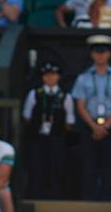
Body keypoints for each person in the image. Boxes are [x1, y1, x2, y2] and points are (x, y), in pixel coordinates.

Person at [71, 34, 111, 201]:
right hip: (89, 125)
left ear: (109, 54)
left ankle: (108, 197)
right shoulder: (83, 78)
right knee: (88, 163)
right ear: (92, 54)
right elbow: (80, 105)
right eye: (97, 52)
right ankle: (88, 197)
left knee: (110, 163)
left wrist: (106, 127)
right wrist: (94, 126)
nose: (100, 55)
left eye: (103, 52)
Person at [21, 62, 74, 199]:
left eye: (53, 75)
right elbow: (27, 116)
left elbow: (70, 121)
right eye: (47, 75)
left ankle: (55, 196)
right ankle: (36, 195)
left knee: (56, 167)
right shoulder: (35, 94)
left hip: (57, 137)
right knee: (37, 166)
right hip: (38, 137)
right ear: (43, 77)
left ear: (58, 77)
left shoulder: (65, 96)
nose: (50, 78)